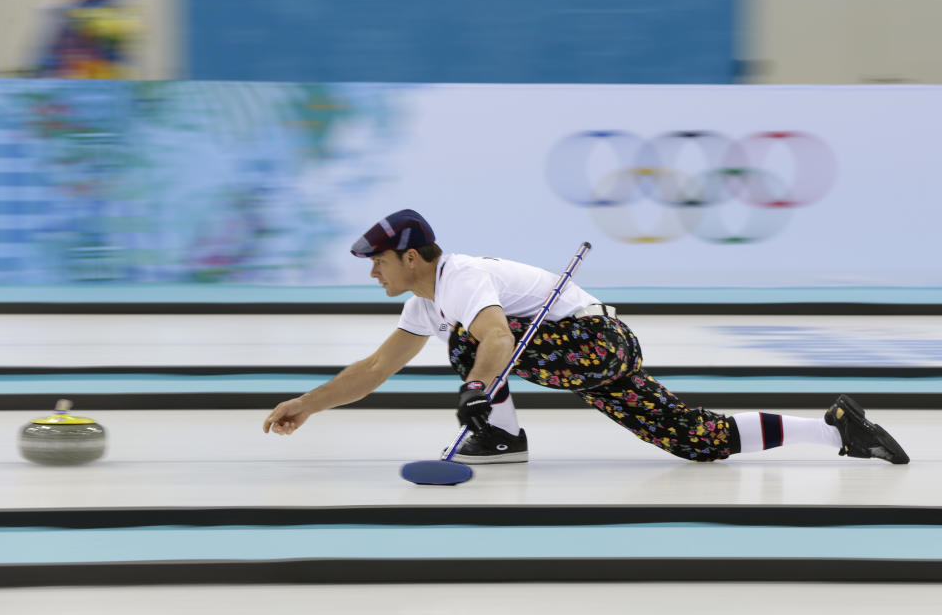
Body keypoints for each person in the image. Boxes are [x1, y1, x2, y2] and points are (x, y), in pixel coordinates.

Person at [263, 209, 910, 465]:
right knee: (693, 439)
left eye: (377, 261)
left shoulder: (460, 279)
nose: (371, 271)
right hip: (577, 353)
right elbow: (376, 368)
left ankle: (505, 437)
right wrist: (307, 405)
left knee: (470, 346)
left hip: (594, 342)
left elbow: (492, 340)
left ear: (411, 256)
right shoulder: (428, 303)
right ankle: (838, 428)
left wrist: (478, 392)